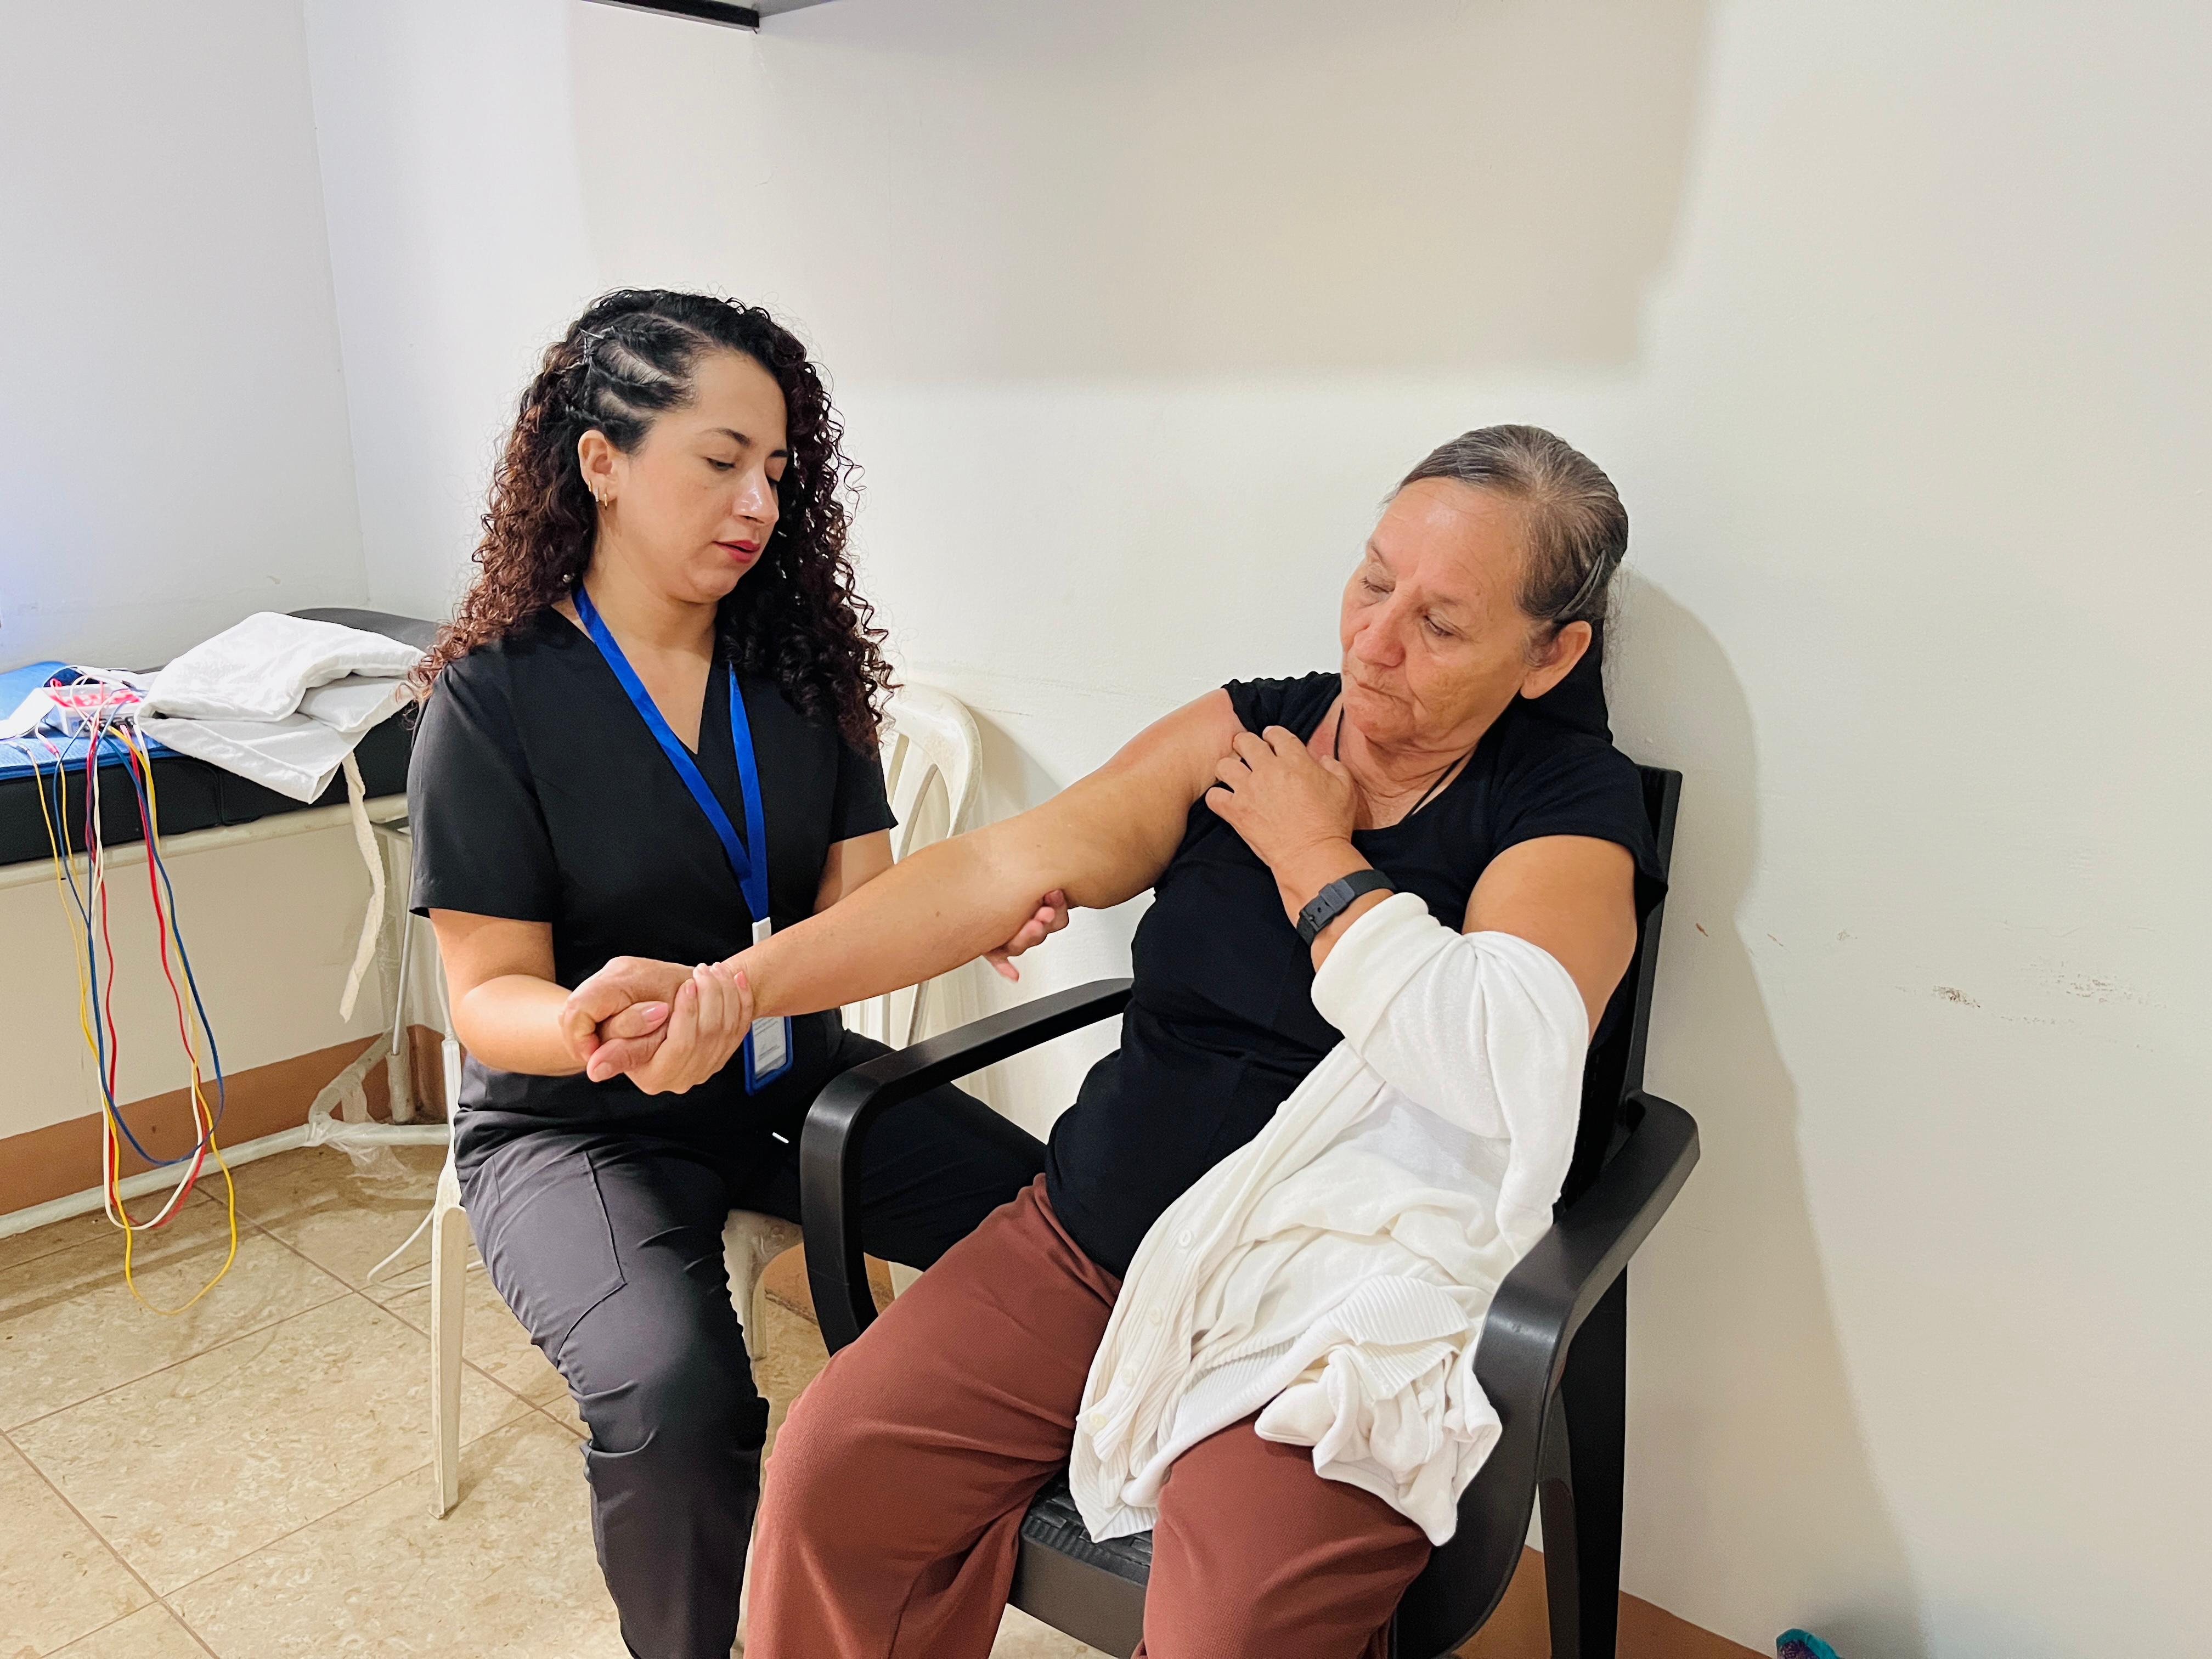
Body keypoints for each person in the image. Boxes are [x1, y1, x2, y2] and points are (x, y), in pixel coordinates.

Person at [568, 424, 1666, 1658]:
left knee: (1234, 1629)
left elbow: (1497, 1057)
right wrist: (729, 990)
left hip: (1326, 1319)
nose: (1373, 641)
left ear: (1550, 653)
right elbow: (995, 869)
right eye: (1372, 581)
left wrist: (1312, 853)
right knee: (832, 1476)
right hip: (1089, 1237)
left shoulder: (1565, 805)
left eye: (1442, 625)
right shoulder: (1250, 732)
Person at [405, 289, 1063, 1659]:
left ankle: (937, 1574)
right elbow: (486, 995)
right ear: (601, 461)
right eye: (720, 461)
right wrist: (589, 1024)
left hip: (788, 1082)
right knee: (676, 1402)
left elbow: (863, 908)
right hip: (576, 1125)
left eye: (777, 469)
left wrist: (962, 918)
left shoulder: (802, 670)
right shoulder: (495, 700)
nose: (759, 501)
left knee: (1062, 1233)